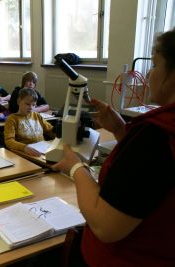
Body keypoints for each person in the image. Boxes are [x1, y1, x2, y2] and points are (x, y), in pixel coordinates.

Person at [52, 29, 175, 267]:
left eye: (156, 64)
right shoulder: (157, 135)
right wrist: (121, 130)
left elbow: (105, 226)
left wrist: (76, 167)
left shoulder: (156, 136)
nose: (149, 73)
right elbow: (151, 178)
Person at [4, 88, 55, 156]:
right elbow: (9, 141)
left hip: (42, 151)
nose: (31, 107)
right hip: (25, 154)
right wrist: (24, 148)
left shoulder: (37, 116)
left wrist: (59, 134)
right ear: (19, 101)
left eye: (33, 105)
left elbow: (50, 130)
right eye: (27, 104)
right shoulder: (12, 119)